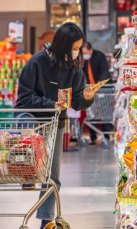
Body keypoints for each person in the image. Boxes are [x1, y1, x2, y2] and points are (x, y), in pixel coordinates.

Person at [15, 23, 95, 229]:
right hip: (30, 114)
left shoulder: (75, 68)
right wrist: (50, 104)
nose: (77, 51)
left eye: (79, 47)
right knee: (29, 130)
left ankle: (46, 221)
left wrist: (86, 98)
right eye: (75, 47)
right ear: (62, 45)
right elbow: (24, 96)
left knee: (53, 175)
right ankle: (28, 169)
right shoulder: (37, 61)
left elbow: (76, 100)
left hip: (56, 120)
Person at [82, 41, 112, 145]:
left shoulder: (99, 56)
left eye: (86, 52)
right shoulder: (83, 60)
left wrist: (101, 81)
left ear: (90, 50)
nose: (84, 55)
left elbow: (105, 71)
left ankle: (106, 136)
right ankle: (93, 137)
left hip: (103, 89)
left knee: (105, 113)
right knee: (92, 114)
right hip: (91, 90)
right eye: (83, 53)